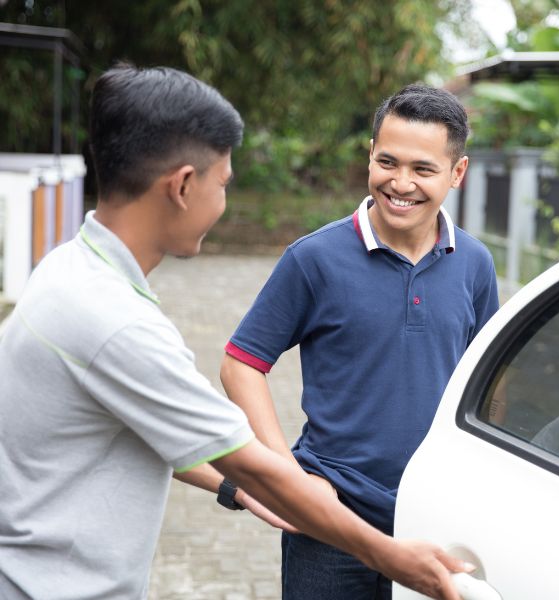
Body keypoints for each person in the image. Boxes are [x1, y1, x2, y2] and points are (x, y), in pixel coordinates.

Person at [0, 65, 469, 600]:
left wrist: (237, 489)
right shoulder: (118, 324)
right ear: (182, 186)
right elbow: (246, 455)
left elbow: (173, 435)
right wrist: (387, 555)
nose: (224, 203)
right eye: (223, 184)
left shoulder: (69, 272)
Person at [221, 83, 500, 599]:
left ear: (456, 173)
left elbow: (488, 381)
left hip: (433, 517)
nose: (401, 183)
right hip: (329, 521)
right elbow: (241, 363)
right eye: (387, 162)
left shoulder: (476, 265)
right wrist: (289, 478)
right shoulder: (314, 259)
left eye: (423, 169)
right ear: (370, 155)